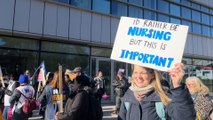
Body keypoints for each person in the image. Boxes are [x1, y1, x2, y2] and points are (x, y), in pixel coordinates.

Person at [118, 63, 195, 120]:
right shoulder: (128, 96)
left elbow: (185, 117)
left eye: (143, 73)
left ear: (153, 75)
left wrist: (177, 86)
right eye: (135, 72)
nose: (138, 77)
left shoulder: (163, 96)